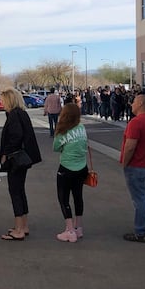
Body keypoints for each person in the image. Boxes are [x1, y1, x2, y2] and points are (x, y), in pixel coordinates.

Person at [0, 88, 42, 241]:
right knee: (20, 191)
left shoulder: (14, 115)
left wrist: (5, 154)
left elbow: (16, 136)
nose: (1, 103)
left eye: (3, 100)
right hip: (24, 158)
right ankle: (23, 225)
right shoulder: (21, 113)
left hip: (16, 159)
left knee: (15, 191)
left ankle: (18, 229)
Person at [120, 94, 145, 242]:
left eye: (134, 102)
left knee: (139, 199)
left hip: (136, 165)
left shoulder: (136, 122)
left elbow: (130, 146)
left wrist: (125, 162)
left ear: (141, 103)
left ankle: (140, 231)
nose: (131, 104)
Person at [52, 103, 88, 243]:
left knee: (64, 198)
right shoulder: (81, 128)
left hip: (66, 168)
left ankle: (70, 229)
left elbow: (55, 147)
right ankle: (78, 227)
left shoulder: (63, 130)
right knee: (78, 196)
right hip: (82, 167)